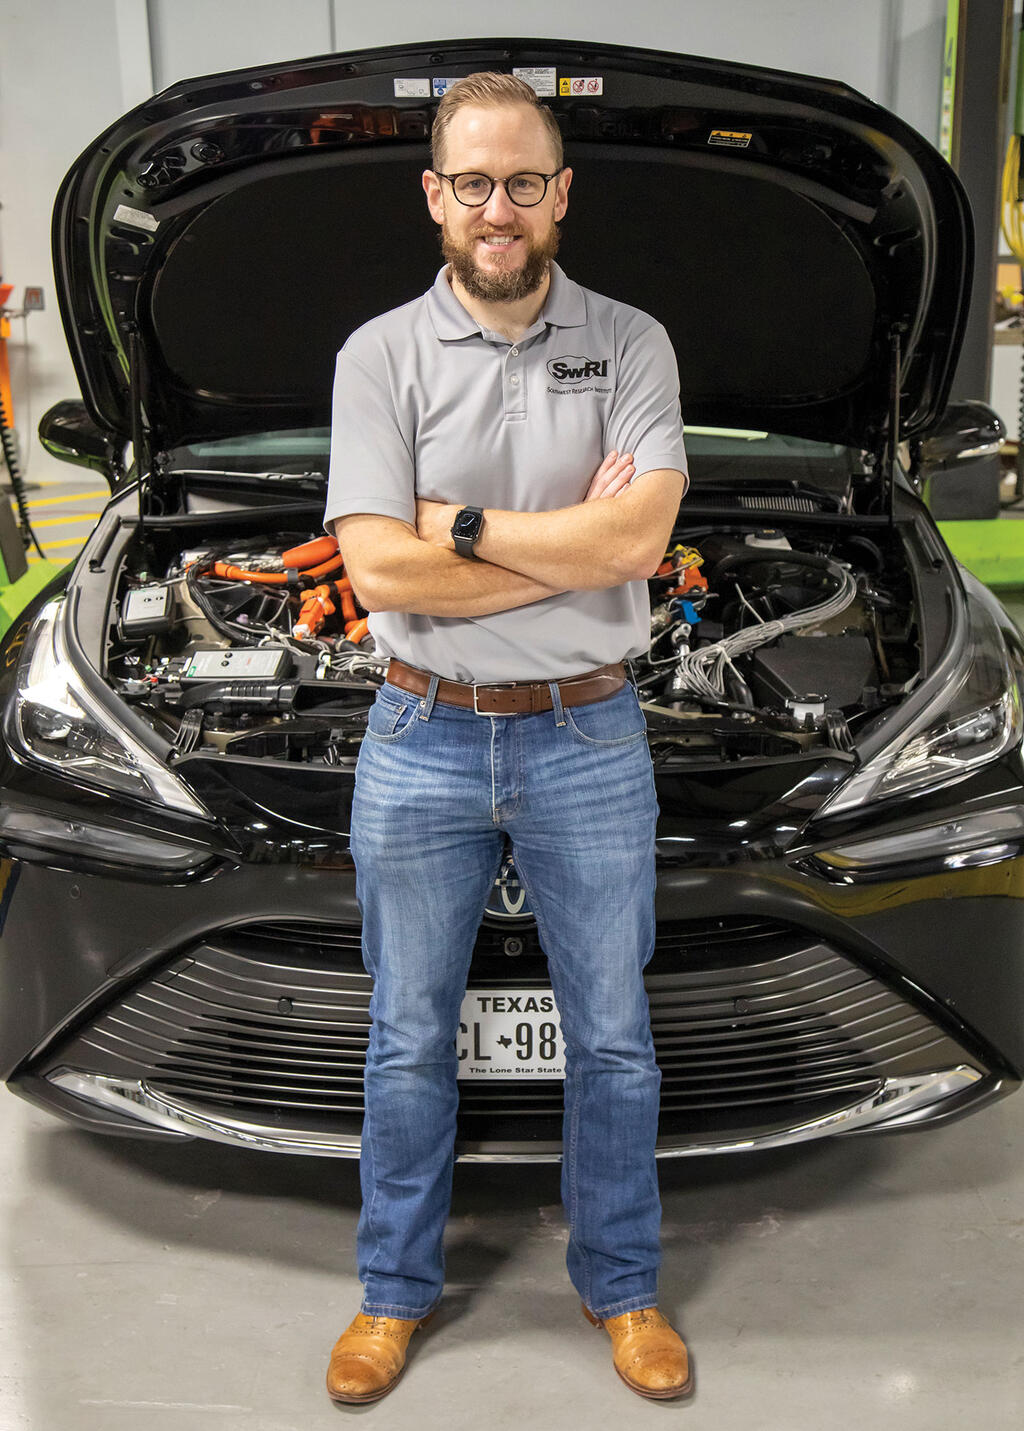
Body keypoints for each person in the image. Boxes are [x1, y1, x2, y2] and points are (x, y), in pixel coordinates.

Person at [323, 72, 690, 1405]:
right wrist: (577, 558)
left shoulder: (633, 344)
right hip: (421, 734)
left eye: (521, 182)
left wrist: (462, 526)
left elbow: (642, 540)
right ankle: (392, 1294)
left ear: (560, 194)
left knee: (612, 1036)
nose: (497, 207)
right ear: (435, 196)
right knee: (407, 1035)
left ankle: (625, 1288)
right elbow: (381, 577)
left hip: (590, 735)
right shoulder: (380, 356)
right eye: (471, 182)